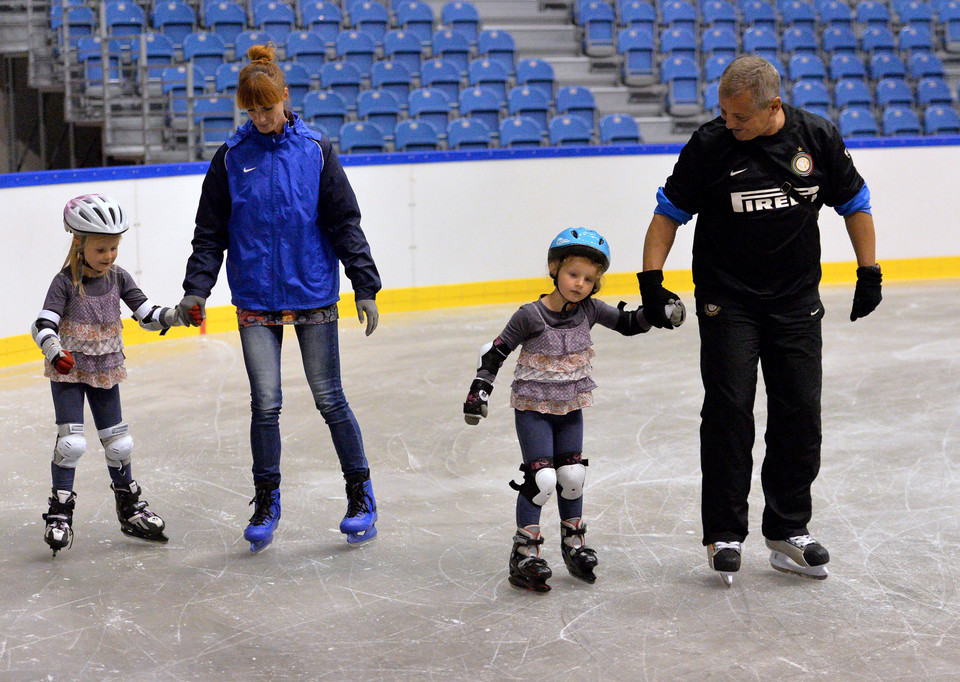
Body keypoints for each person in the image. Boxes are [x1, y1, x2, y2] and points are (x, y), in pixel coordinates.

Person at [638, 55, 882, 586]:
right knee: (728, 412)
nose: (730, 123)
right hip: (729, 301)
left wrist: (870, 272)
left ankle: (787, 529)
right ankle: (724, 533)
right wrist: (651, 283)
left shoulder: (815, 137)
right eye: (723, 113)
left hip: (796, 301)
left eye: (739, 117)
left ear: (774, 106)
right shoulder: (709, 145)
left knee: (800, 412)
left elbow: (855, 202)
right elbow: (667, 214)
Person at [178, 45, 382, 553]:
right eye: (252, 111)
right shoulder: (231, 157)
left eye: (267, 109)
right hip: (254, 298)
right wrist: (196, 290)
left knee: (330, 399)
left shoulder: (315, 149)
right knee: (265, 405)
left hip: (312, 291)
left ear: (285, 98)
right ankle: (266, 502)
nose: (261, 119)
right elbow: (209, 234)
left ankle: (362, 496)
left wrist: (364, 284)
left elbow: (343, 221)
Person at [463, 228, 685, 592]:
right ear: (554, 268)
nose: (579, 284)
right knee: (542, 479)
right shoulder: (530, 316)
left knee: (571, 476)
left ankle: (574, 545)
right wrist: (479, 390)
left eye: (588, 279)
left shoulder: (590, 310)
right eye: (572, 274)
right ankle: (525, 553)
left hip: (570, 406)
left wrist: (656, 313)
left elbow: (628, 324)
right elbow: (496, 351)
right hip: (533, 408)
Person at [32, 193, 183, 557]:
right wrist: (55, 350)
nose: (109, 256)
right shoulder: (65, 281)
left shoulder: (118, 277)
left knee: (119, 443)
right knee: (72, 443)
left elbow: (146, 314)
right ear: (80, 244)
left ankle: (129, 507)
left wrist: (177, 315)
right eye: (102, 249)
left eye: (114, 248)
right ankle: (60, 512)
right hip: (68, 370)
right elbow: (42, 324)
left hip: (104, 367)